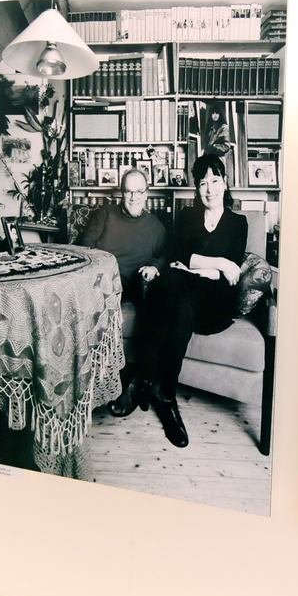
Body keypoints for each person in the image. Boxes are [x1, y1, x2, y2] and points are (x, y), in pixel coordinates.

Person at [123, 154, 247, 447]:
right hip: (187, 298)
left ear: (225, 182)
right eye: (203, 183)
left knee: (168, 282)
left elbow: (227, 274)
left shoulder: (238, 223)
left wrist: (198, 266)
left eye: (215, 180)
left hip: (215, 305)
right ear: (196, 187)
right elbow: (182, 255)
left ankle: (141, 380)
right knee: (181, 308)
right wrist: (216, 263)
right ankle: (167, 396)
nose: (209, 189)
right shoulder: (188, 216)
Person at [78, 168, 167, 418]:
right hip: (102, 284)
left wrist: (154, 267)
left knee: (157, 297)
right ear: (121, 193)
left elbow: (165, 255)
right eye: (128, 191)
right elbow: (85, 246)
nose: (134, 197)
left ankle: (134, 382)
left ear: (146, 194)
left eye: (139, 192)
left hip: (135, 286)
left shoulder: (155, 226)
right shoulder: (105, 214)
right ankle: (91, 386)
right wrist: (103, 273)